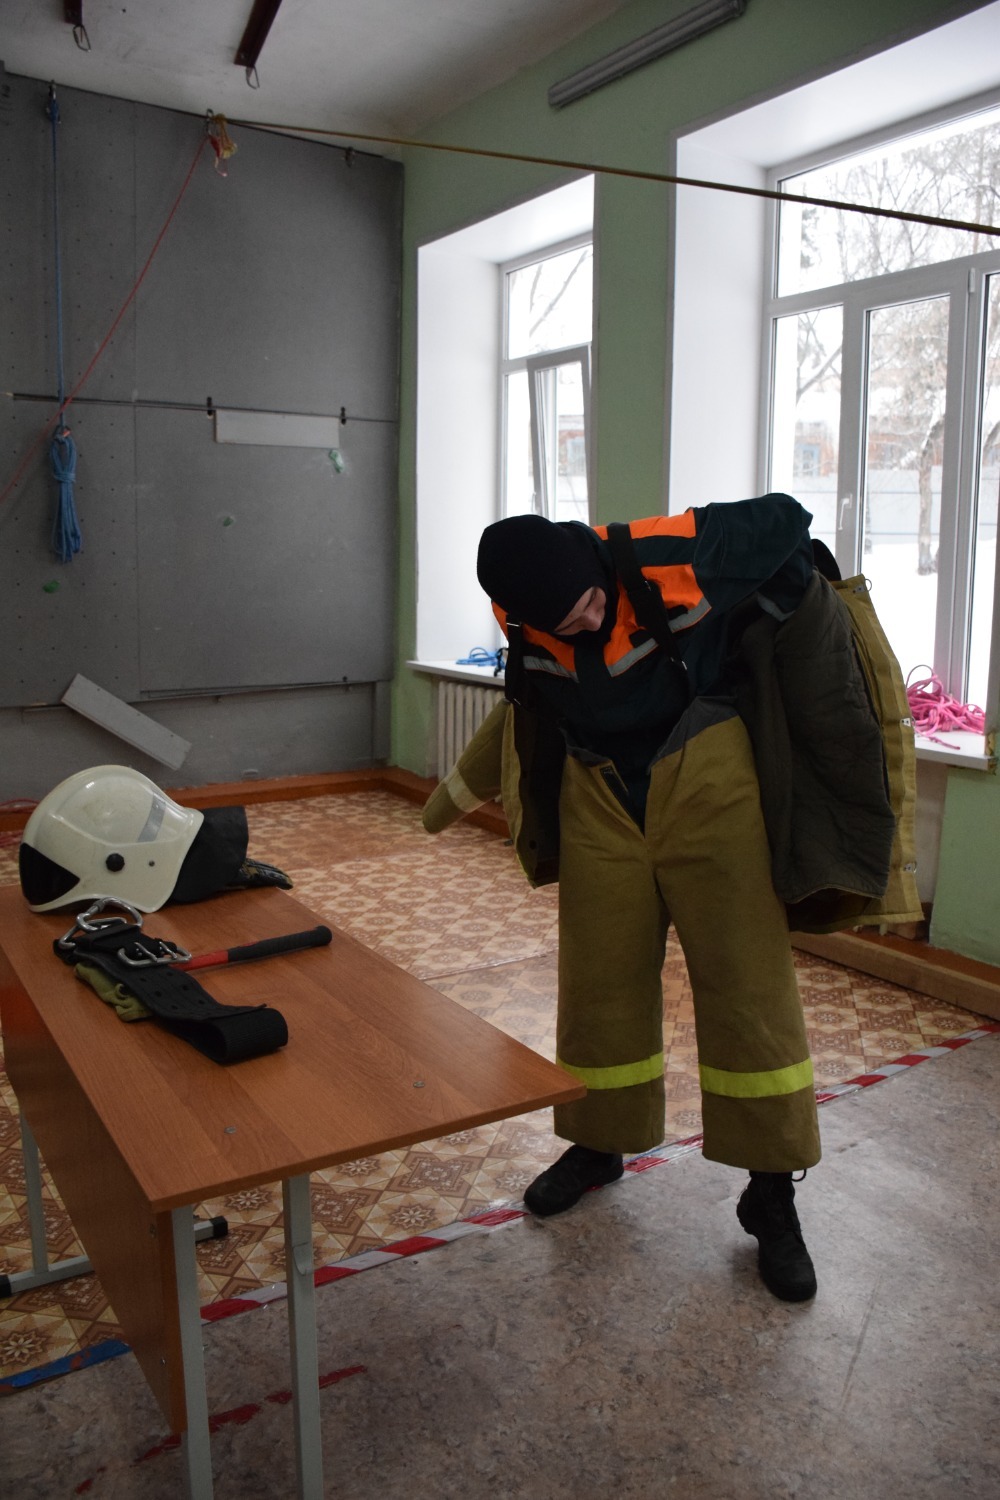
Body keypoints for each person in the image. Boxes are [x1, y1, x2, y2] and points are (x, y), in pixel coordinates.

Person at [424, 494, 904, 1304]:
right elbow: (526, 704)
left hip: (711, 783)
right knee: (599, 985)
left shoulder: (664, 553)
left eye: (590, 605)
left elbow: (788, 520)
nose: (585, 624)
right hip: (599, 798)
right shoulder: (521, 611)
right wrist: (453, 799)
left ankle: (772, 1193)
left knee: (749, 990)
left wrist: (730, 576)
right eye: (565, 622)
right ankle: (598, 1143)